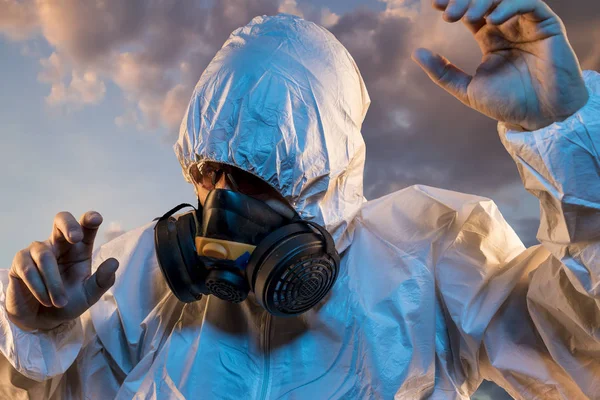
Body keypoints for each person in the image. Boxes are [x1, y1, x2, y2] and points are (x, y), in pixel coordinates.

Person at [1, 0, 598, 398]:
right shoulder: (140, 277)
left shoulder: (428, 258)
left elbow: (575, 347)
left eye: (257, 179)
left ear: (327, 174)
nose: (220, 207)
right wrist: (37, 338)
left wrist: (563, 132)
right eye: (210, 174)